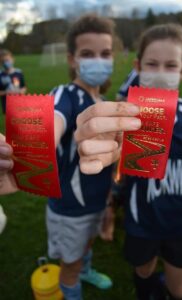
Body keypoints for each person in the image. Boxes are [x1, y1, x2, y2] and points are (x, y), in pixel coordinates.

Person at [0, 14, 141, 300]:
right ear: (72, 59)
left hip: (95, 201)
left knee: (86, 247)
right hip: (69, 208)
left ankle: (86, 271)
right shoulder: (65, 94)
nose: (98, 60)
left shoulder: (103, 102)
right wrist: (31, 146)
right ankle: (72, 285)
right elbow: (52, 121)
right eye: (87, 54)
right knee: (70, 265)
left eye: (104, 53)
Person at [75, 23, 182, 300]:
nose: (159, 74)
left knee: (179, 291)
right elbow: (113, 173)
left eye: (170, 66)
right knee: (143, 273)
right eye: (151, 64)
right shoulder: (125, 121)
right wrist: (110, 203)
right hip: (141, 222)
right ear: (138, 66)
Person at [0, 49, 26, 114]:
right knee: (10, 122)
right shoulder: (1, 75)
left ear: (12, 59)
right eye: (3, 61)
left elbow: (23, 87)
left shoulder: (19, 73)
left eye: (7, 60)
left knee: (19, 121)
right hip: (7, 104)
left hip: (19, 102)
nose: (6, 63)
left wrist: (21, 91)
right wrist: (7, 92)